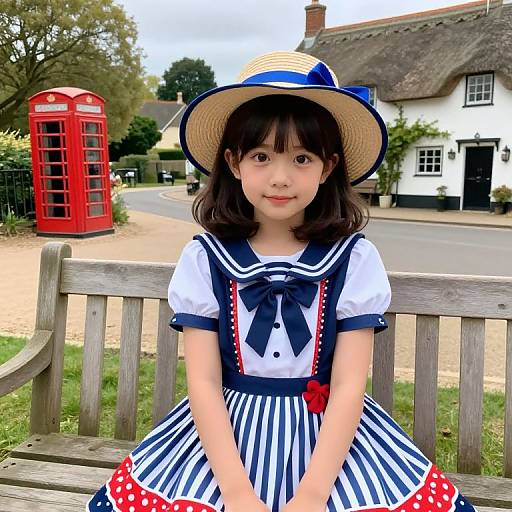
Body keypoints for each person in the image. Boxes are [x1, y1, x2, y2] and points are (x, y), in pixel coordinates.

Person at [87, 51, 477, 512]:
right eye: (261, 156)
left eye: (301, 157)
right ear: (232, 163)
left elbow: (350, 385)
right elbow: (204, 383)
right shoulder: (205, 259)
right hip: (223, 442)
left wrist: (312, 495)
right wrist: (234, 493)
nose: (280, 177)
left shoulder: (353, 259)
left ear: (328, 167)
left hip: (328, 440)